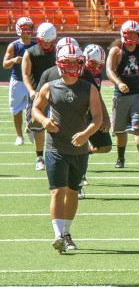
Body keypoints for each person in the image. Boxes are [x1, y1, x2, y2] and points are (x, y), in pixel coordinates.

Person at [31, 44, 102, 253]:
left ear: (81, 63)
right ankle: (58, 235)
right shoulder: (50, 86)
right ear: (60, 64)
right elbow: (35, 108)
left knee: (72, 192)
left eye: (75, 62)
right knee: (56, 191)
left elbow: (97, 117)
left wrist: (86, 134)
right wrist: (44, 121)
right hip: (55, 147)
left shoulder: (89, 88)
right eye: (67, 62)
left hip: (79, 149)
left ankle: (67, 232)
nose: (71, 66)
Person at [106, 20, 139, 169]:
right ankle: (120, 158)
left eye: (134, 33)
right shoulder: (116, 51)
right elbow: (109, 70)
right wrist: (119, 83)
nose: (131, 36)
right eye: (129, 33)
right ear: (123, 33)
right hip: (121, 95)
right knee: (120, 130)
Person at [22, 22, 57, 171]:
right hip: (38, 93)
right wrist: (31, 90)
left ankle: (57, 155)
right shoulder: (30, 52)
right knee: (37, 128)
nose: (48, 45)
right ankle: (39, 157)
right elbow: (25, 74)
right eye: (45, 42)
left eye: (50, 42)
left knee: (58, 125)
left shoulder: (59, 51)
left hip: (57, 92)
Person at [3, 17, 36, 145]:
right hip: (17, 81)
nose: (27, 30)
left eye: (29, 27)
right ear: (19, 29)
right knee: (16, 110)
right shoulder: (14, 46)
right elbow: (5, 64)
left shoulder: (35, 45)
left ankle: (32, 130)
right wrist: (13, 60)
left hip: (31, 81)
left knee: (34, 108)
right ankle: (19, 136)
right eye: (25, 27)